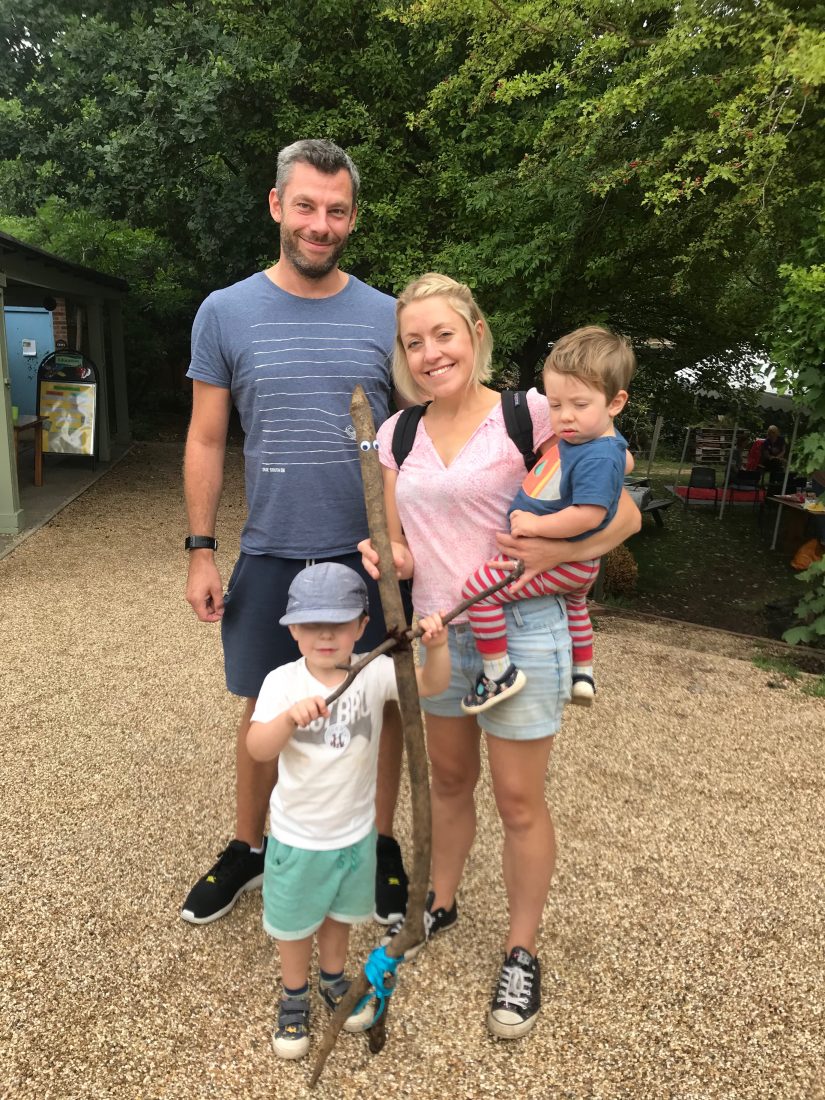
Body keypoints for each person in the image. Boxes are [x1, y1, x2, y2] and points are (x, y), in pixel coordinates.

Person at [359, 273, 641, 1040]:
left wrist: (557, 551)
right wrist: (384, 555)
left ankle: (521, 951)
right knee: (449, 781)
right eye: (414, 342)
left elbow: (624, 514)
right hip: (439, 631)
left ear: (475, 333)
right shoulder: (398, 434)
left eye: (442, 334)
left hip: (521, 631)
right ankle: (439, 903)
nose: (430, 353)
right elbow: (406, 549)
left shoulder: (537, 413)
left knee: (518, 801)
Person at [181, 138, 410, 928]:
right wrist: (200, 549)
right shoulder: (224, 312)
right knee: (261, 704)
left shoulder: (389, 317)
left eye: (336, 210)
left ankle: (379, 843)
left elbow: (418, 440)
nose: (320, 224)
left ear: (353, 218)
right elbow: (206, 436)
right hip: (272, 547)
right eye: (306, 205)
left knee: (380, 704)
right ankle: (250, 846)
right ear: (277, 205)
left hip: (367, 554)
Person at [245, 563, 450, 1059]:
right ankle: (294, 995)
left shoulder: (373, 671)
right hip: (298, 837)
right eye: (312, 624)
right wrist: (288, 720)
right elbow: (257, 748)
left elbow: (430, 686)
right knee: (295, 925)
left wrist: (438, 647)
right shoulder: (282, 683)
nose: (325, 635)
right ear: (293, 630)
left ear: (361, 627)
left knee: (339, 916)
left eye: (338, 624)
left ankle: (333, 979)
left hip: (355, 835)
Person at [459, 326, 634, 712]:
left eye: (579, 405)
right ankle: (583, 674)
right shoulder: (591, 443)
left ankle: (498, 672)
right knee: (576, 608)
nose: (565, 417)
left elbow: (588, 514)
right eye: (555, 405)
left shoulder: (598, 453)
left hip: (559, 557)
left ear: (615, 403)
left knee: (477, 592)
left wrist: (535, 526)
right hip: (578, 565)